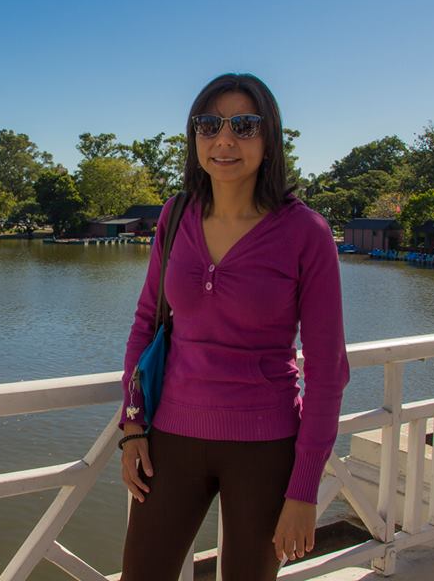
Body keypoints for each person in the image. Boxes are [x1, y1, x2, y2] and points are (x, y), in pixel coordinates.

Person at [118, 73, 350, 580]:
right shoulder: (176, 215)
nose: (224, 140)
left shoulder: (305, 232)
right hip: (171, 440)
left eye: (244, 125)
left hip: (265, 448)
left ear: (269, 139)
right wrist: (132, 427)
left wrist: (304, 489)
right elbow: (145, 324)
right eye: (209, 125)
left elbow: (328, 371)